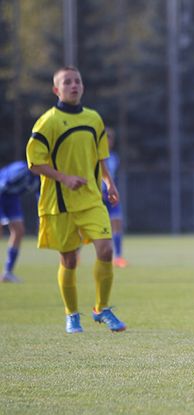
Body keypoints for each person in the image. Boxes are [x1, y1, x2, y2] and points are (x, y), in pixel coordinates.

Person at [26, 65, 126, 334]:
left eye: (77, 81)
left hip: (92, 199)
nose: (73, 85)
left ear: (82, 86)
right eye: (67, 82)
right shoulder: (48, 121)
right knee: (69, 260)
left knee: (106, 250)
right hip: (60, 202)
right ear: (56, 89)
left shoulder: (94, 118)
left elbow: (100, 156)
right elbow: (34, 163)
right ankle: (72, 315)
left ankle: (101, 308)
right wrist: (64, 178)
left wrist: (109, 182)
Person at [0, 161, 39, 283]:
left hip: (12, 199)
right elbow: (3, 184)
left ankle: (7, 272)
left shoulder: (39, 179)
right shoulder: (21, 170)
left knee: (19, 231)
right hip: (2, 195)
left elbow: (41, 197)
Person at [103, 127, 128, 268]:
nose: (109, 141)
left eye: (111, 138)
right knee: (87, 229)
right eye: (107, 138)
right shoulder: (94, 157)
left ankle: (118, 257)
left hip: (111, 197)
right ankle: (76, 254)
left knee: (117, 224)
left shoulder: (114, 158)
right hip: (98, 196)